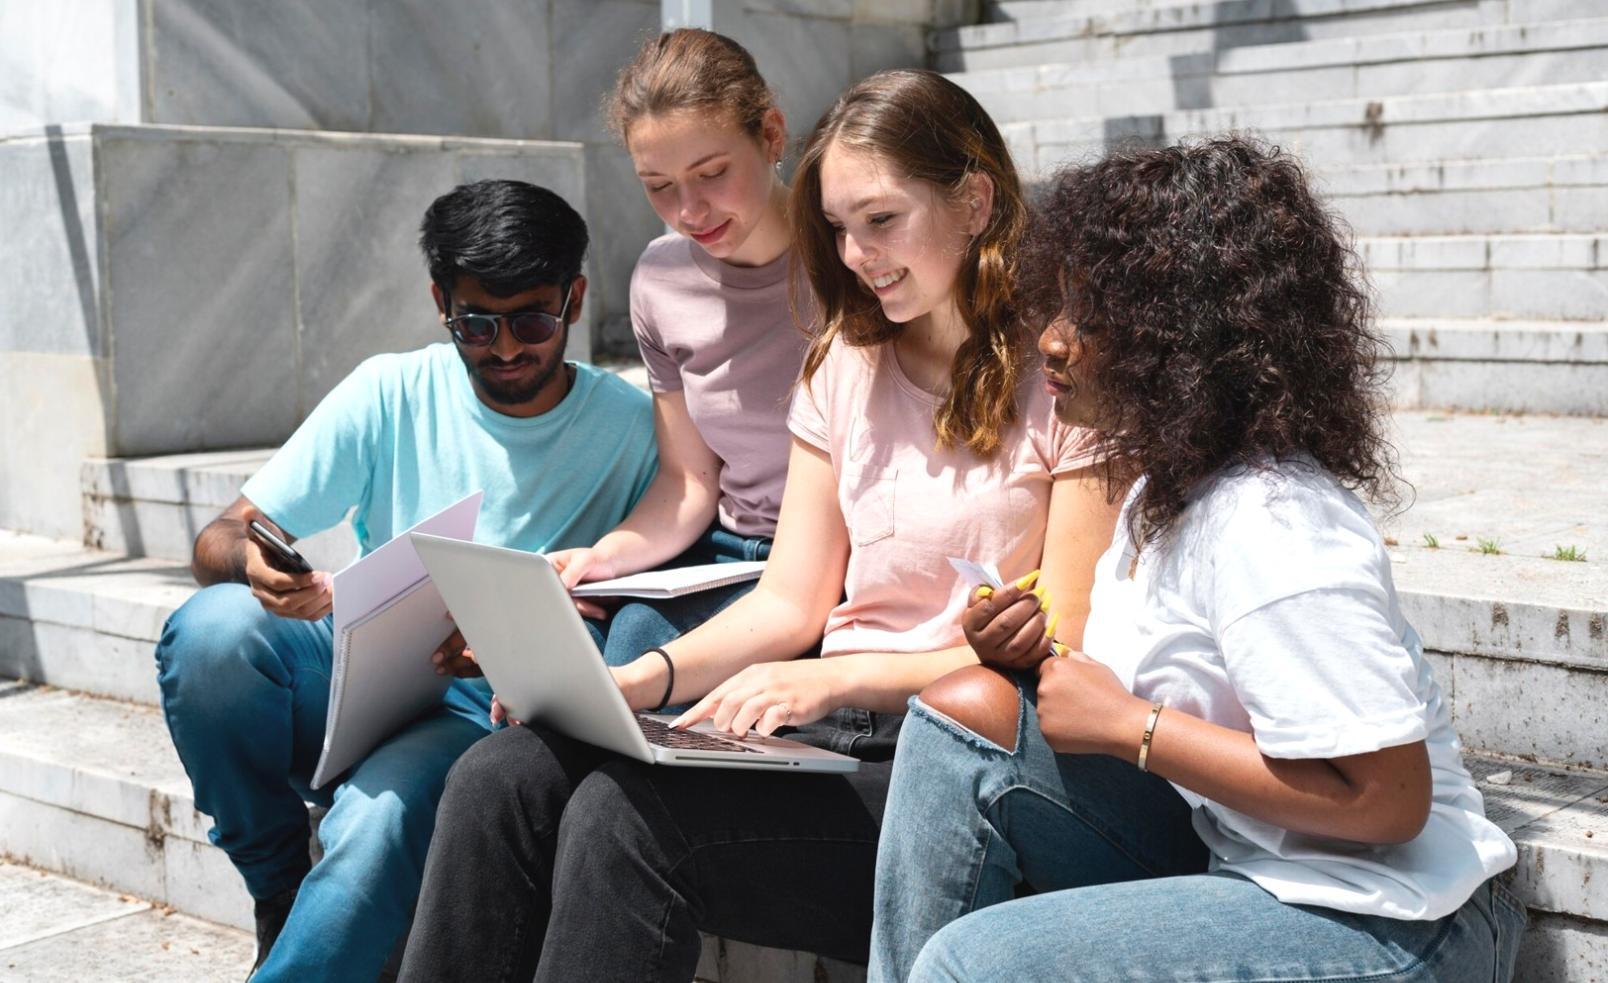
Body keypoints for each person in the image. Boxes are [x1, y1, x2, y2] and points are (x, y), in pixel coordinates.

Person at [397, 69, 1118, 982]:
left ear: (975, 200)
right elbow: (787, 599)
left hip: (950, 760)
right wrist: (633, 681)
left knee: (626, 820)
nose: (855, 255)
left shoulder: (1065, 377)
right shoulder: (845, 365)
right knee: (500, 776)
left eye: (882, 220)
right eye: (837, 228)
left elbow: (1067, 637)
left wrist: (825, 681)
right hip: (830, 730)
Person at [867, 137, 1525, 983]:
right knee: (962, 718)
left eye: (1089, 316)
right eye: (1056, 306)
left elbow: (1390, 799)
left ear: (1184, 336)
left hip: (1393, 920)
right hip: (1245, 856)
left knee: (973, 961)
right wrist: (1033, 659)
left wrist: (1127, 728)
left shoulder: (1274, 523)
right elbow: (1151, 694)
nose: (1053, 343)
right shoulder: (1160, 491)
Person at [152, 180, 658, 982]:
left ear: (575, 297)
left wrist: (514, 639)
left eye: (532, 318)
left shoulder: (631, 429)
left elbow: (648, 606)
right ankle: (277, 884)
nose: (505, 348)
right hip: (353, 665)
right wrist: (254, 561)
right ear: (439, 303)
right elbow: (220, 534)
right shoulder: (393, 388)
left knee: (375, 825)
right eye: (475, 324)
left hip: (477, 709)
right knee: (213, 632)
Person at [539, 28, 806, 675]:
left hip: (834, 564)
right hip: (728, 551)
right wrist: (603, 555)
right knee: (613, 645)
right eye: (657, 184)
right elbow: (689, 477)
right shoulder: (660, 278)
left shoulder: (855, 257)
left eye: (712, 174)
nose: (689, 209)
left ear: (771, 135)